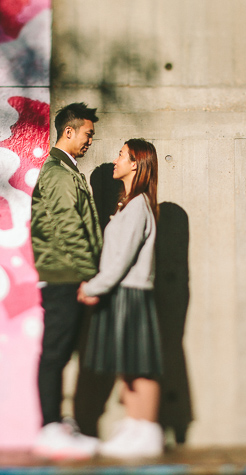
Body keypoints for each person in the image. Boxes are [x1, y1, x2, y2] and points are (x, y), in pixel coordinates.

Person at [78, 139, 164, 458]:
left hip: (132, 293)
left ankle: (147, 430)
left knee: (139, 366)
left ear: (135, 164)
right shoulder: (129, 204)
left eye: (121, 156)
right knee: (129, 365)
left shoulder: (138, 206)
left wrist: (92, 287)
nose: (115, 160)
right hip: (123, 293)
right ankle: (135, 425)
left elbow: (120, 260)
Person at [30, 103, 103, 458]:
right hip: (64, 275)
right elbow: (69, 228)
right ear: (69, 131)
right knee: (55, 353)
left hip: (66, 274)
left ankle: (57, 425)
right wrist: (90, 277)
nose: (91, 140)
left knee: (62, 353)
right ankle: (48, 428)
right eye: (88, 133)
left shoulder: (67, 171)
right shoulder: (59, 174)